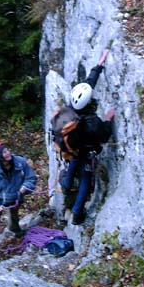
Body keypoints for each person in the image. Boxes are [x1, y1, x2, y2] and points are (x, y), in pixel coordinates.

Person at [60, 49, 115, 225]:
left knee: (73, 163)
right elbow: (104, 136)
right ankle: (77, 213)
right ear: (89, 103)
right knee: (86, 179)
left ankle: (67, 183)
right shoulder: (93, 123)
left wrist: (99, 65)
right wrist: (108, 119)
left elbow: (89, 83)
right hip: (85, 152)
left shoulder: (72, 108)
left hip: (73, 149)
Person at [0, 141, 37, 257]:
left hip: (17, 195)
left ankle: (15, 230)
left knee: (14, 215)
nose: (8, 153)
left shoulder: (20, 162)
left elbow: (31, 178)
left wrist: (26, 187)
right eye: (4, 152)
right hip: (0, 200)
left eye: (7, 150)